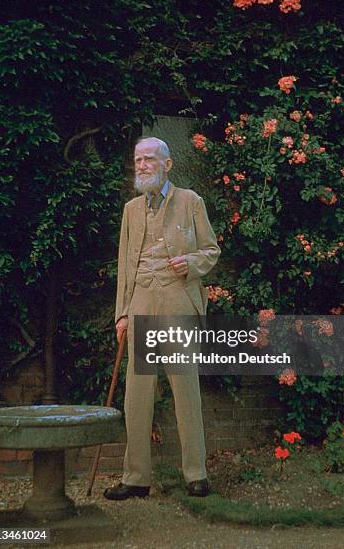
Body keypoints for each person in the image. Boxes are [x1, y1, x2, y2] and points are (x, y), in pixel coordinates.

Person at [104, 136, 220, 500]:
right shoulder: (131, 209)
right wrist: (123, 313)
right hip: (140, 301)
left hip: (177, 299)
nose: (142, 165)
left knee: (185, 387)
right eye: (138, 159)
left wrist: (191, 264)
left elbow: (211, 249)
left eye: (149, 159)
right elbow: (126, 265)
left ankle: (196, 473)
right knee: (137, 394)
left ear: (167, 164)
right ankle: (136, 477)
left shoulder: (190, 201)